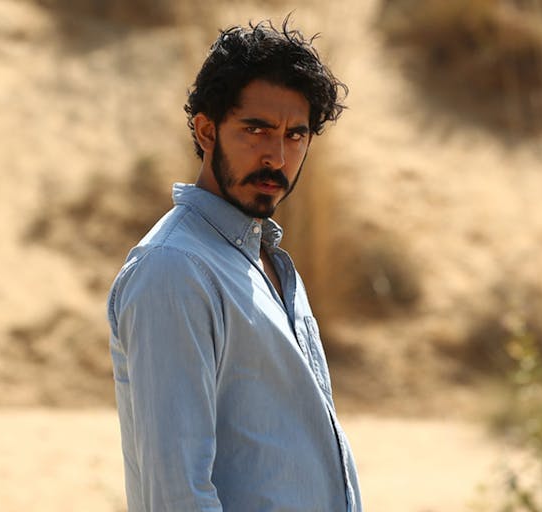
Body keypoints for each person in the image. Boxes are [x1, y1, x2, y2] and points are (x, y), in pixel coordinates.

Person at [106, 18, 361, 512]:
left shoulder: (266, 261)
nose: (276, 155)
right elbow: (178, 493)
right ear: (207, 130)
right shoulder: (175, 270)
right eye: (256, 129)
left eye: (295, 135)